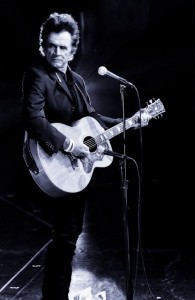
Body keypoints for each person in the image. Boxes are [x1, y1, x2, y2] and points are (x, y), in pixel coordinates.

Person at [21, 12, 150, 300]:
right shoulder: (36, 75)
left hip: (74, 170)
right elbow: (33, 119)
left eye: (63, 47)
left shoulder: (76, 80)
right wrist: (68, 145)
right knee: (65, 237)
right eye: (52, 46)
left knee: (69, 237)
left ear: (73, 49)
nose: (57, 52)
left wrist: (129, 120)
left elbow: (91, 119)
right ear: (42, 46)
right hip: (52, 162)